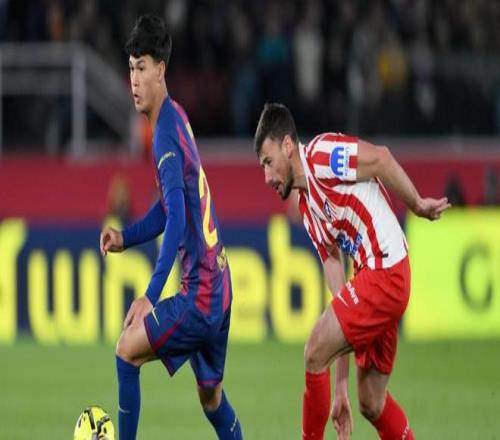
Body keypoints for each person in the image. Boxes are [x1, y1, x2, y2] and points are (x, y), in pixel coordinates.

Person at [254, 103, 451, 440]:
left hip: (385, 270)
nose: (267, 177)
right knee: (371, 401)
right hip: (371, 278)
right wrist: (340, 387)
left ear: (288, 145)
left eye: (268, 162)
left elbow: (381, 159)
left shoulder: (322, 156)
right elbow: (340, 295)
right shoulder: (308, 209)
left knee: (314, 351)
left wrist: (417, 204)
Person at [100, 15, 242, 440]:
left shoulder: (163, 133)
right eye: (130, 68)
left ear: (160, 70)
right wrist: (126, 238)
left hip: (200, 296)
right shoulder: (176, 117)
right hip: (221, 286)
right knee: (211, 397)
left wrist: (150, 294)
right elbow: (170, 206)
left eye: (142, 67)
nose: (134, 79)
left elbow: (177, 217)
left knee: (126, 352)